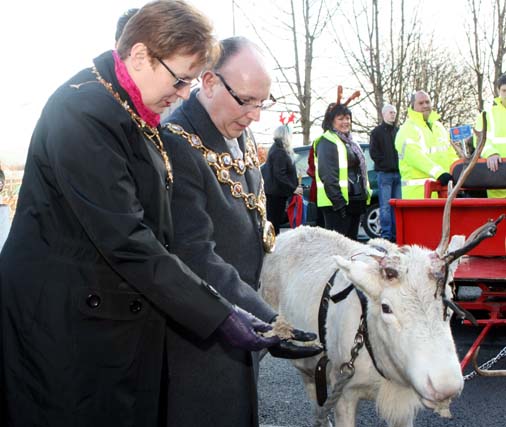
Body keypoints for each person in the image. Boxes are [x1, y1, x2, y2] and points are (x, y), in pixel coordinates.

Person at [0, 3, 318, 426]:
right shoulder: (82, 114)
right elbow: (129, 241)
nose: (185, 93)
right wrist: (222, 314)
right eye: (181, 78)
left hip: (109, 319)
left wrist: (244, 309)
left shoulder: (130, 109)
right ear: (139, 56)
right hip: (67, 329)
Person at [162, 36, 321, 427]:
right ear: (211, 82)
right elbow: (194, 253)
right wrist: (270, 319)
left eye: (261, 103)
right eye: (246, 100)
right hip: (203, 328)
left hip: (240, 314)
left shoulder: (236, 130)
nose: (255, 115)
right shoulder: (176, 142)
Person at [312, 87, 370, 240]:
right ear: (331, 121)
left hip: (354, 201)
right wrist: (339, 204)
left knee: (351, 248)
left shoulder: (352, 142)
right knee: (337, 249)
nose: (345, 122)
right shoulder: (327, 141)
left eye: (347, 118)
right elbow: (327, 175)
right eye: (341, 119)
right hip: (337, 206)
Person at [395, 90, 458, 199]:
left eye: (427, 102)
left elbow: (450, 154)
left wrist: (458, 170)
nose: (425, 105)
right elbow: (415, 157)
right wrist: (439, 173)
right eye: (421, 103)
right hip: (418, 194)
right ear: (413, 106)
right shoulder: (407, 129)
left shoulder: (439, 127)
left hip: (443, 191)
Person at [262, 124, 302, 234]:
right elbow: (280, 174)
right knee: (274, 223)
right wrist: (293, 188)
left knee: (275, 222)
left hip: (275, 193)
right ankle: (275, 247)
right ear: (286, 135)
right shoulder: (279, 151)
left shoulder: (277, 149)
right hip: (276, 194)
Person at [369, 103, 401, 242]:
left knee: (398, 205)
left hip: (399, 174)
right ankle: (387, 235)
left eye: (394, 112)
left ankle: (397, 233)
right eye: (390, 112)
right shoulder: (376, 132)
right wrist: (384, 165)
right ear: (384, 114)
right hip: (384, 174)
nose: (393, 114)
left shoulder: (399, 131)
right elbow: (373, 153)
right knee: (385, 206)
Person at [474, 73, 506, 198]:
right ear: (498, 91)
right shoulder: (487, 115)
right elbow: (479, 140)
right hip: (497, 178)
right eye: (504, 90)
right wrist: (491, 153)